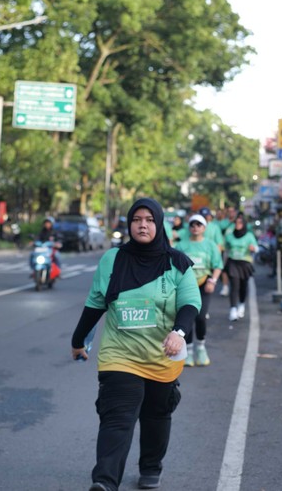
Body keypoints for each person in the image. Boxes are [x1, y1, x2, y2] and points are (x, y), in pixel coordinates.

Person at [71, 197, 201, 491]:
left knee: (156, 416)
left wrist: (178, 332)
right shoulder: (112, 259)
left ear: (159, 224)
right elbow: (95, 304)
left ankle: (151, 467)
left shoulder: (177, 262)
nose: (143, 225)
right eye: (137, 220)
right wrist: (78, 341)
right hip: (120, 355)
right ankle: (104, 482)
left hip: (161, 356)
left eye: (150, 220)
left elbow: (191, 303)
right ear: (129, 224)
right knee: (117, 418)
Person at [175, 214, 223, 367]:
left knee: (201, 317)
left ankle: (201, 347)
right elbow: (173, 266)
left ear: (204, 228)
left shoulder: (210, 245)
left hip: (203, 284)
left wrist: (213, 281)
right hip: (185, 287)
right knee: (187, 317)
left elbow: (218, 265)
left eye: (199, 225)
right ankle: (188, 350)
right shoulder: (181, 245)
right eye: (192, 225)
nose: (195, 227)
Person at [223, 211, 259, 321]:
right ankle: (233, 309)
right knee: (234, 286)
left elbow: (256, 248)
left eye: (240, 223)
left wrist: (253, 249)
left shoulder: (249, 236)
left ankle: (241, 304)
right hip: (233, 262)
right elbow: (225, 249)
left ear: (243, 224)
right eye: (236, 223)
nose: (237, 225)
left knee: (243, 286)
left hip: (245, 263)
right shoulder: (229, 236)